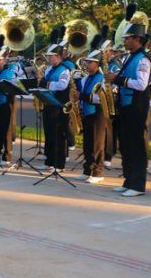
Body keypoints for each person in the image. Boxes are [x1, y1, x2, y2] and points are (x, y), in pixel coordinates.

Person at [105, 8, 151, 197]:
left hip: (136, 107)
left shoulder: (143, 60)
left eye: (128, 38)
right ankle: (128, 180)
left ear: (138, 40)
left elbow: (141, 84)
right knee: (125, 144)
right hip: (126, 106)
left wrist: (116, 79)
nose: (124, 41)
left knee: (136, 146)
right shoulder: (130, 57)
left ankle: (138, 185)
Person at [35, 31, 70, 172]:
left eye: (51, 57)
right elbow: (44, 81)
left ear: (57, 56)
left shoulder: (65, 70)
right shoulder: (50, 69)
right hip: (48, 105)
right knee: (49, 134)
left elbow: (62, 85)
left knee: (59, 136)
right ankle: (49, 161)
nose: (49, 59)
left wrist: (46, 84)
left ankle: (59, 164)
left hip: (59, 106)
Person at [77, 47, 107, 183]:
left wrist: (81, 96)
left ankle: (97, 172)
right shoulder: (85, 79)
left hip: (98, 113)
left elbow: (100, 99)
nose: (87, 65)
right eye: (86, 62)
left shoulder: (102, 79)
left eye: (90, 62)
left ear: (97, 64)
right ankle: (87, 169)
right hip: (87, 113)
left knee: (97, 143)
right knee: (87, 143)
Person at [0, 36, 17, 167]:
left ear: (5, 60)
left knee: (6, 131)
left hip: (6, 103)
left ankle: (7, 157)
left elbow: (5, 84)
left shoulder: (10, 71)